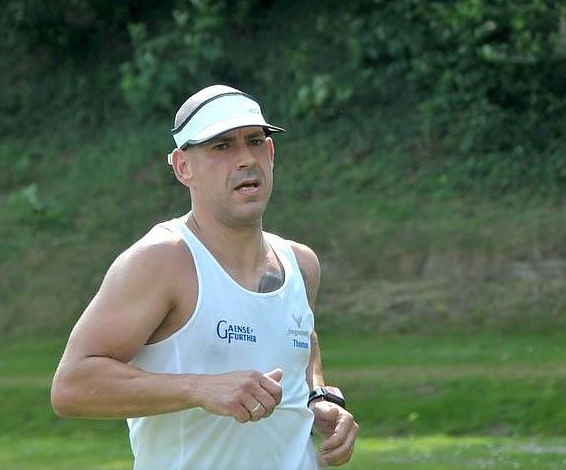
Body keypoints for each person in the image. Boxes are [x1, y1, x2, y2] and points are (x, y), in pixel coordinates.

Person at [50, 84, 359, 469]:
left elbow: (300, 337)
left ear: (271, 152)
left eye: (255, 141)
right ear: (184, 167)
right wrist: (200, 389)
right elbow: (72, 386)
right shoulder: (162, 261)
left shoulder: (300, 264)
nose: (245, 159)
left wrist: (319, 397)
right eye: (221, 146)